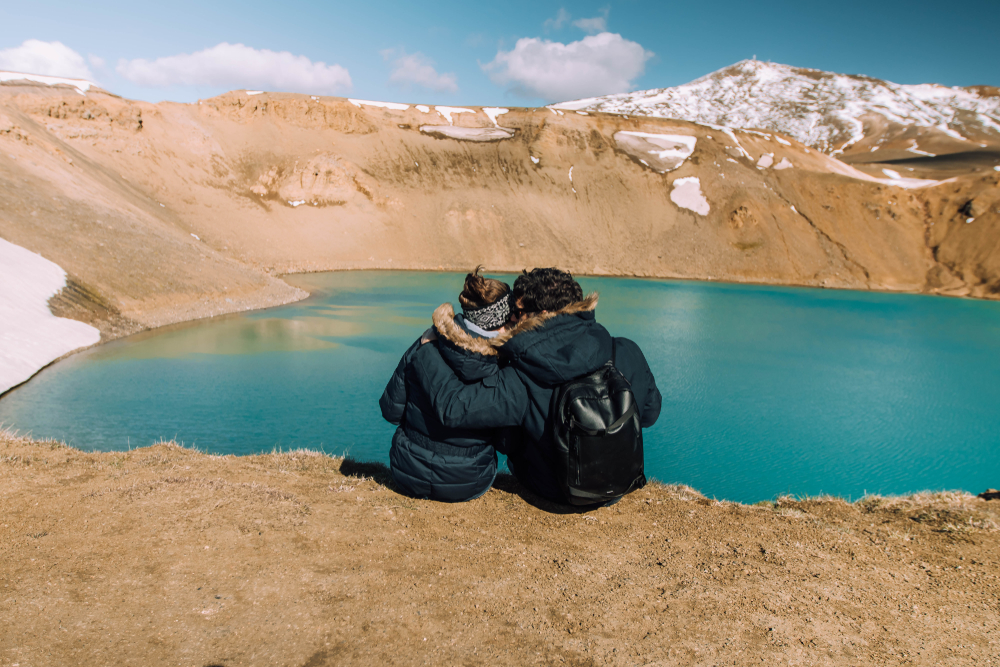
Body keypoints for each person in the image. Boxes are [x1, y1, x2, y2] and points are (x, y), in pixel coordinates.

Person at [410, 267, 662, 505]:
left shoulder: (522, 372)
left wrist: (427, 349)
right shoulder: (626, 350)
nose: (511, 317)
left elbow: (455, 408)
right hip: (618, 485)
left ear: (541, 314)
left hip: (554, 490)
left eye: (518, 311)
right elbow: (650, 414)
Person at [379, 267, 512, 502]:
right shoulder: (503, 364)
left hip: (407, 472)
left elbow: (390, 410)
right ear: (501, 321)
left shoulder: (426, 342)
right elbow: (506, 440)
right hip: (468, 481)